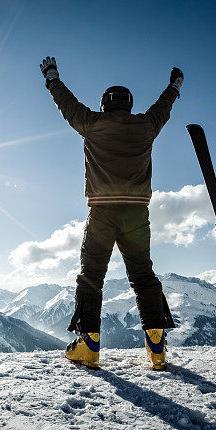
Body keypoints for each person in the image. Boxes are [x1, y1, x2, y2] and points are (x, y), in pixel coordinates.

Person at [39, 56, 183, 370]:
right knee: (143, 278)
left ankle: (88, 347)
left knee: (91, 278)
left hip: (101, 213)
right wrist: (174, 86)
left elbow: (66, 103)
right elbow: (163, 106)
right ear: (129, 106)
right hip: (136, 215)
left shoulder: (91, 124)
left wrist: (51, 76)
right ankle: (156, 349)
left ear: (104, 105)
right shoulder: (146, 126)